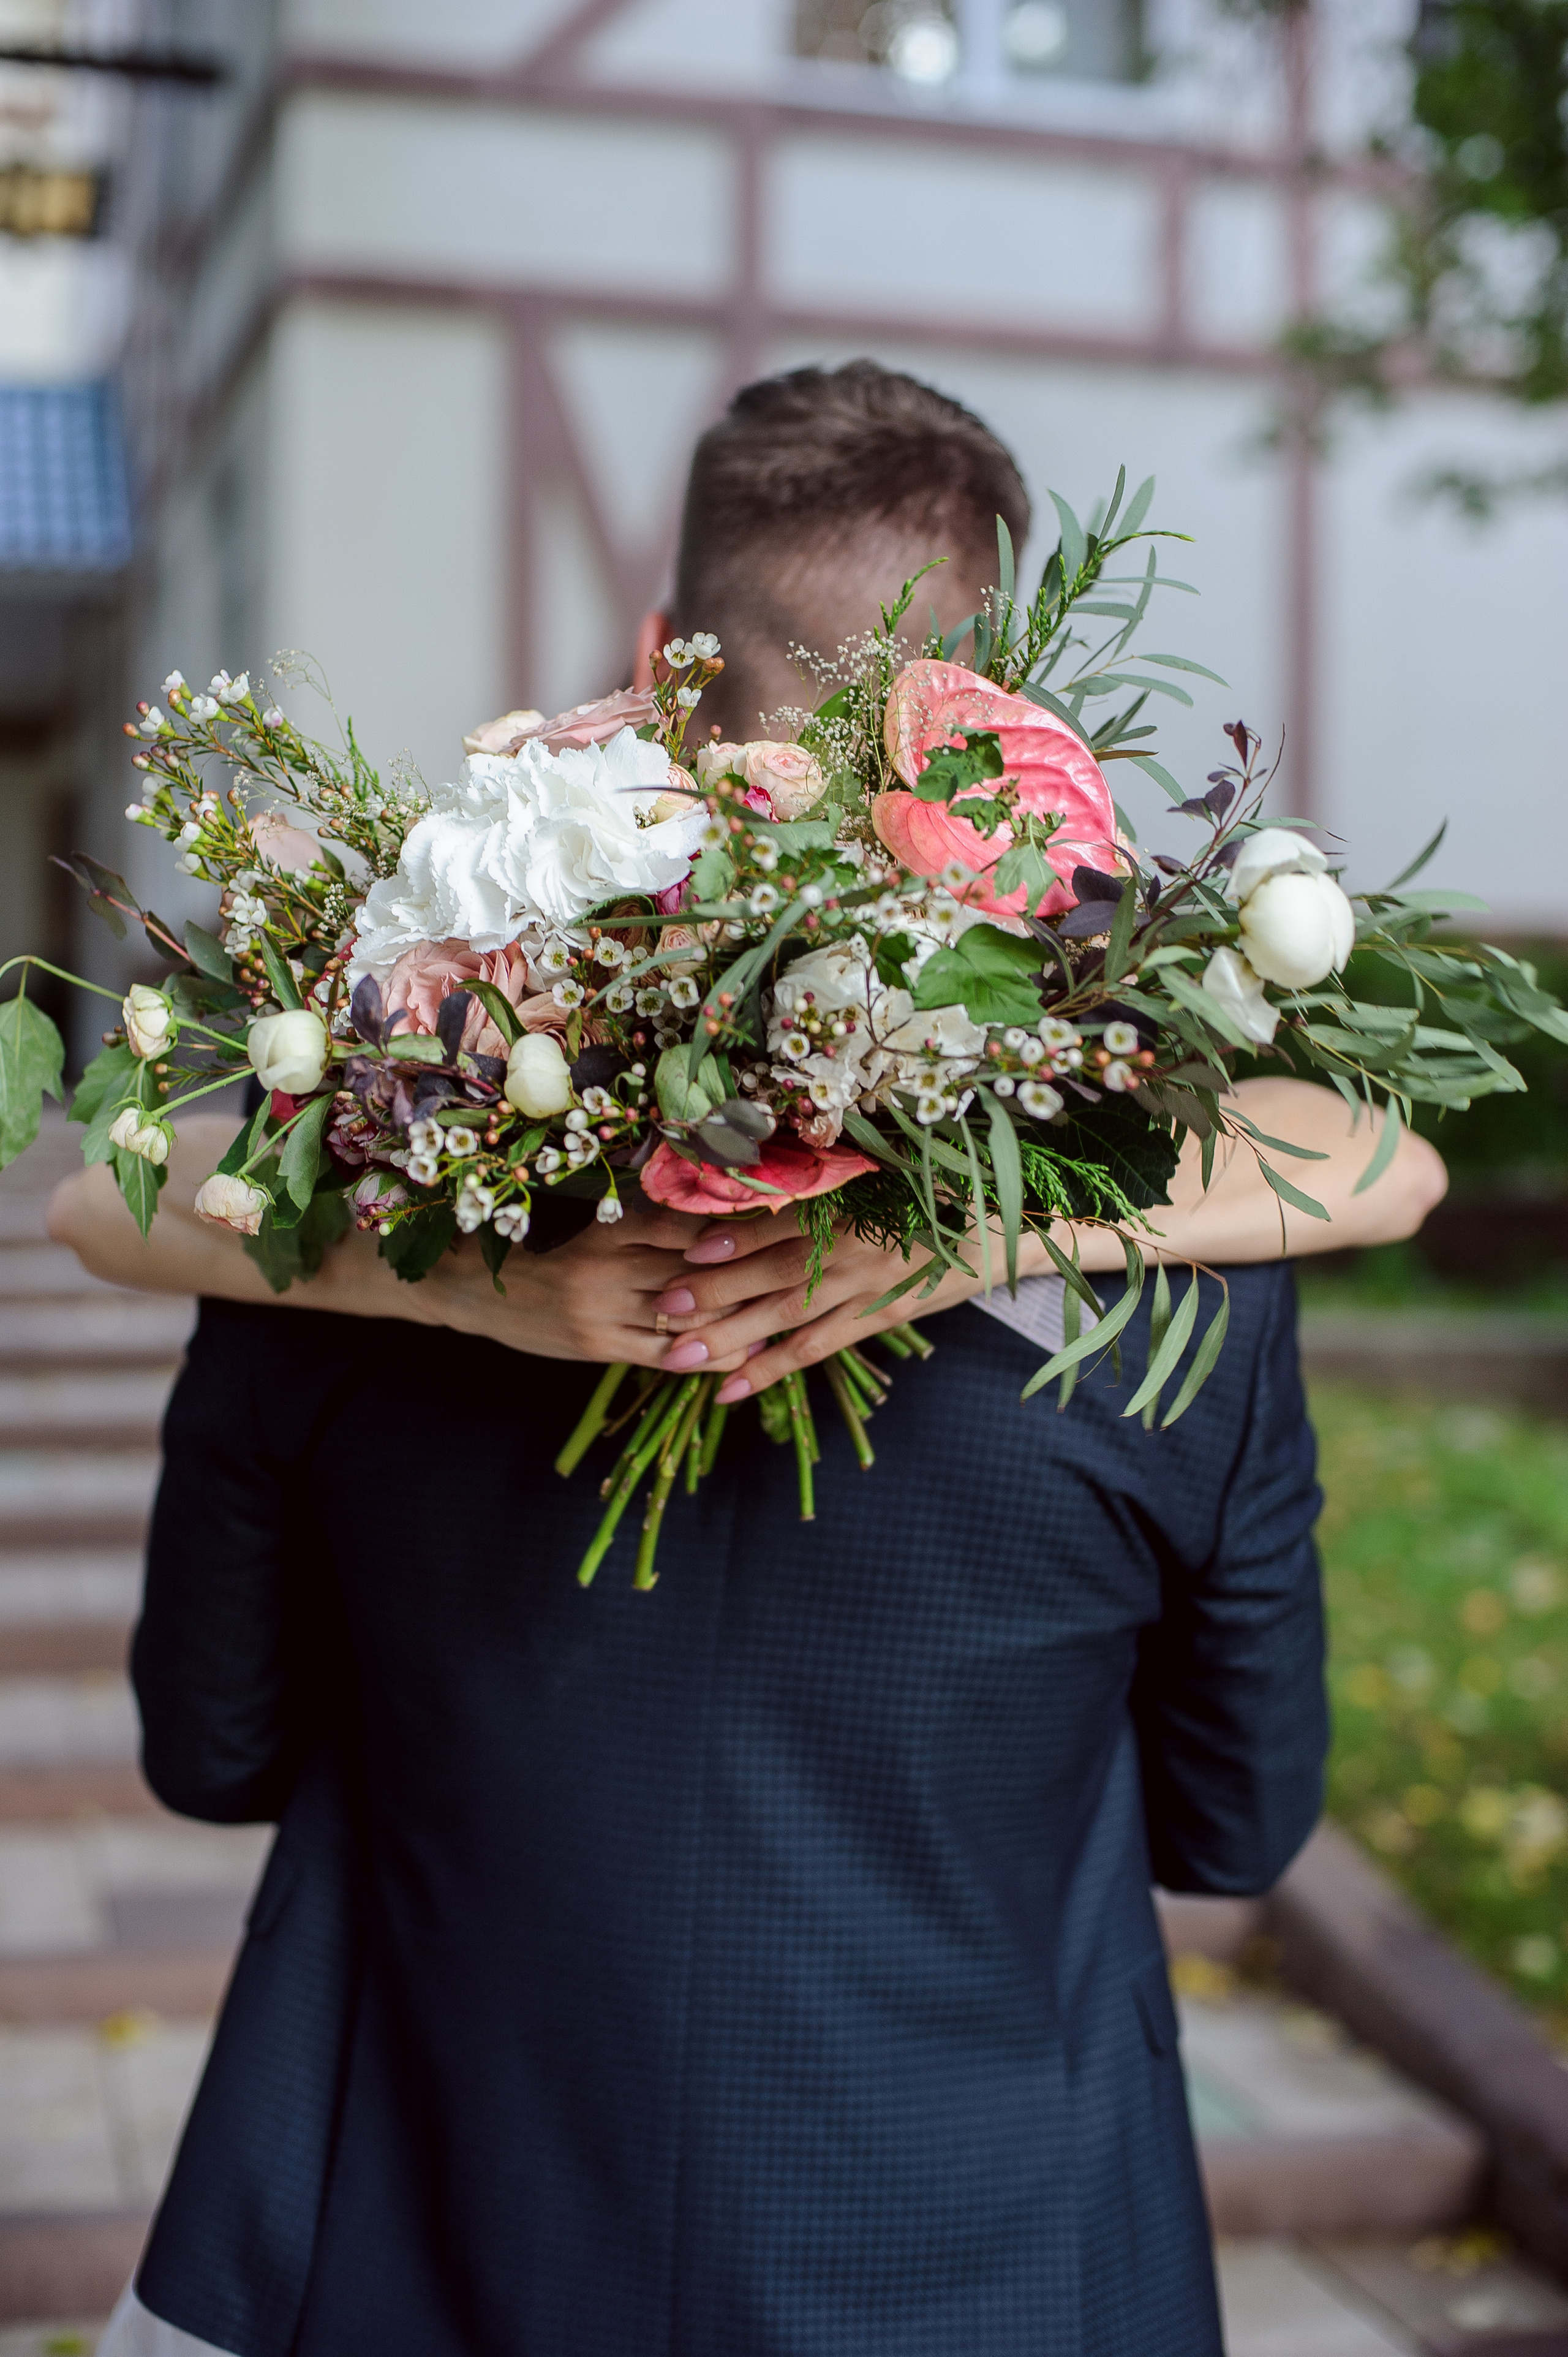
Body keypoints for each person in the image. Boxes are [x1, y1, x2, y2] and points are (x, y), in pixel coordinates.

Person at [65, 363, 1446, 2357]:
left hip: (406, 2251)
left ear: (655, 665)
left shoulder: (357, 1201)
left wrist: (461, 1275)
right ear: (1003, 725)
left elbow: (211, 1746)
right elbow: (1235, 1822)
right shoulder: (1185, 1273)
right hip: (995, 2271)